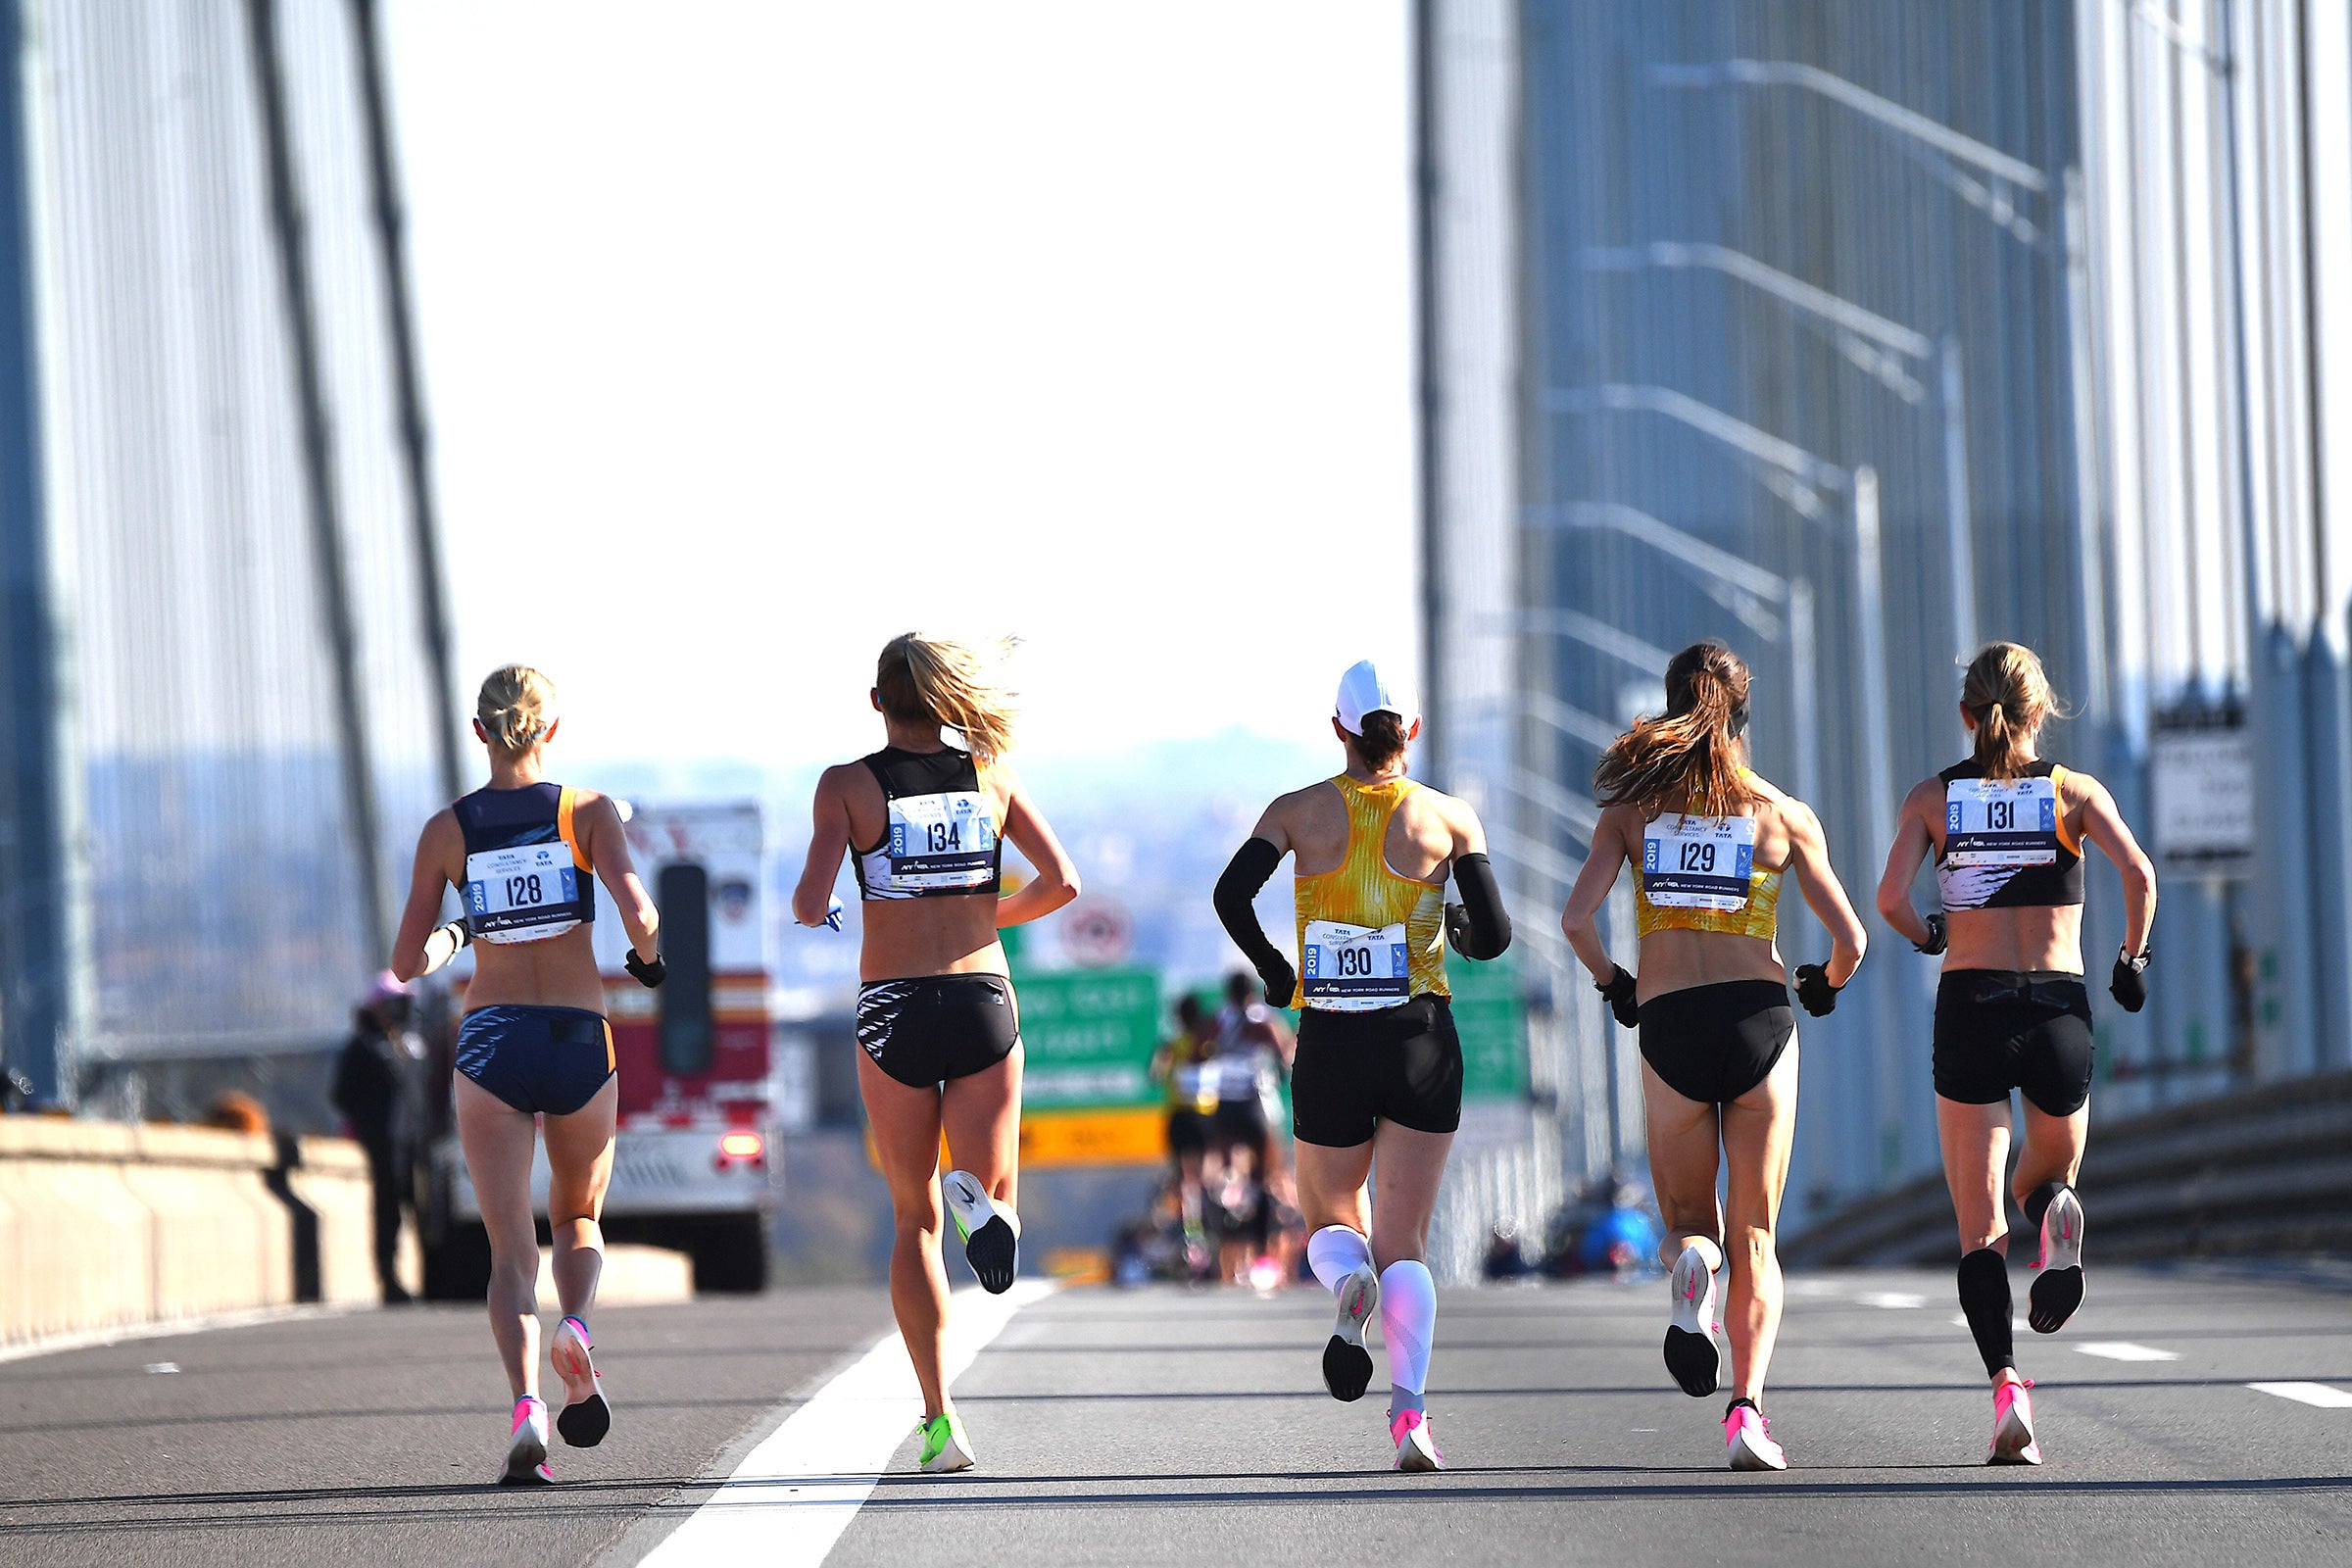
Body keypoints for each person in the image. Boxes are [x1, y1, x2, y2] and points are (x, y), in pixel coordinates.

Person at [1560, 641, 1867, 1472]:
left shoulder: (1631, 812)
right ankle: (1746, 1415)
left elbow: (1577, 921)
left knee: (1692, 1227)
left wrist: (1615, 984)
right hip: (1759, 1020)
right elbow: (1852, 938)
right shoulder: (1781, 813)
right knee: (1757, 1235)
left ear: (1670, 705)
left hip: (1669, 1025)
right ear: (1741, 713)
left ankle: (1692, 1268)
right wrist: (1825, 982)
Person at [1212, 658, 1512, 1471]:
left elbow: (1229, 896)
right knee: (1407, 1238)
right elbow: (1495, 937)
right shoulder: (1450, 819)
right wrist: (1449, 926)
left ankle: (1348, 1284)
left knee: (1331, 1217)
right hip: (1421, 1039)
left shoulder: (1298, 812)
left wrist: (1277, 973)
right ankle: (1410, 1417)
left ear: (1338, 727)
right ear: (1410, 732)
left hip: (1334, 1038)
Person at [791, 632, 1078, 1474]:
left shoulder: (847, 787)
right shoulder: (992, 772)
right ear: (948, 700)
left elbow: (810, 902)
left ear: (877, 702)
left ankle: (939, 1419)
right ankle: (990, 1209)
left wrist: (832, 902)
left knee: (913, 1219)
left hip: (893, 1008)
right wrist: (986, 917)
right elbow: (1061, 881)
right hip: (983, 999)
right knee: (993, 1187)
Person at [1876, 642, 2155, 1466]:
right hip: (2060, 1007)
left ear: (1968, 715)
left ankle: (2007, 1388)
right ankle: (2057, 1214)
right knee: (2045, 1178)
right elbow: (2138, 874)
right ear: (2042, 712)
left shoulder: (1934, 798)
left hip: (1971, 1006)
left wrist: (1930, 932)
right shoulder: (2074, 793)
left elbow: (1890, 898)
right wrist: (2128, 964)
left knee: (1978, 1228)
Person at [391, 664, 662, 1486]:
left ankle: (526, 1410)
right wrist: (647, 962)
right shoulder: (588, 812)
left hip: (491, 1042)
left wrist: (463, 930)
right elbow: (642, 914)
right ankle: (576, 1327)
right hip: (578, 1037)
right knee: (578, 1215)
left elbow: (407, 963)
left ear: (480, 732)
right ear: (551, 731)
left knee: (511, 1249)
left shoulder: (449, 829)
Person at [330, 972, 428, 1303]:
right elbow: (341, 1094)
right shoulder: (363, 1045)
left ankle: (430, 1278)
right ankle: (389, 1278)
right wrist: (370, 1123)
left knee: (421, 1209)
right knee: (389, 1210)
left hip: (413, 1139)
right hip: (384, 1141)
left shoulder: (410, 1043)